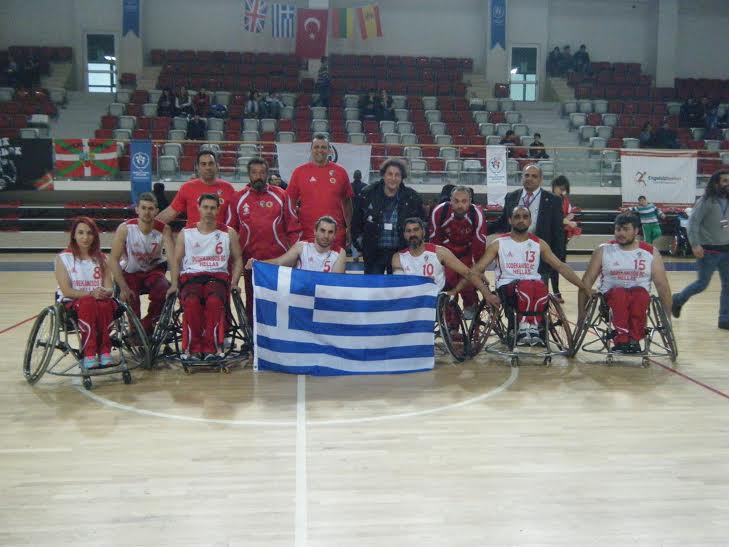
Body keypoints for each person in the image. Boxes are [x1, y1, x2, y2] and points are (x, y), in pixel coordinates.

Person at [471, 206, 589, 346]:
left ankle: (533, 327)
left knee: (539, 286)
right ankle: (524, 327)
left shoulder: (539, 243)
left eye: (525, 217)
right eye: (517, 217)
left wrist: (583, 286)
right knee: (527, 286)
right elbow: (476, 271)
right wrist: (487, 294)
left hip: (534, 287)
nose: (521, 220)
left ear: (530, 221)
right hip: (506, 287)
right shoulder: (498, 243)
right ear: (510, 220)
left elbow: (560, 266)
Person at [579, 212, 672, 353]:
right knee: (619, 293)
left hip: (640, 299)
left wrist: (667, 317)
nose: (621, 233)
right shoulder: (603, 250)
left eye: (626, 229)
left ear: (636, 231)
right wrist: (581, 312)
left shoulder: (650, 252)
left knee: (640, 294)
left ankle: (634, 339)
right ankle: (621, 338)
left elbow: (662, 286)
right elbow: (586, 282)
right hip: (610, 300)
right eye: (618, 229)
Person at [168, 194, 243, 360]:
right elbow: (176, 260)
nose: (209, 211)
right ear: (199, 208)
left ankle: (212, 347)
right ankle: (193, 348)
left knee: (214, 302)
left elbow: (238, 259)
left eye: (212, 208)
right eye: (206, 207)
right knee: (191, 302)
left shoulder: (228, 232)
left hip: (217, 277)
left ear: (218, 210)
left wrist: (235, 282)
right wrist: (174, 284)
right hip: (191, 277)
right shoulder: (186, 233)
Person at [231, 158, 301, 322]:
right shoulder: (238, 198)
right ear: (248, 175)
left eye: (262, 173)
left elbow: (293, 228)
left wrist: (295, 255)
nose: (258, 176)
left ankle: (280, 334)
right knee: (253, 301)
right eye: (254, 173)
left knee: (280, 299)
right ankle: (252, 335)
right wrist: (233, 261)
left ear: (267, 174)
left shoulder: (281, 195)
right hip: (251, 262)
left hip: (279, 260)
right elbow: (230, 231)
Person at [393, 217, 498, 306]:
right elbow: (399, 283)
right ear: (404, 235)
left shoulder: (439, 252)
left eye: (416, 230)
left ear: (423, 232)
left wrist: (487, 294)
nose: (412, 234)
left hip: (435, 300)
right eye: (408, 231)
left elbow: (468, 273)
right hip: (412, 302)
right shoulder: (398, 257)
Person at [54, 217, 116, 369]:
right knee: (88, 302)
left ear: (94, 236)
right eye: (80, 233)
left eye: (89, 233)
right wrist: (91, 294)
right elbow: (66, 290)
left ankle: (104, 351)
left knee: (105, 304)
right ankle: (89, 352)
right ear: (74, 235)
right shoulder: (63, 258)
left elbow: (110, 288)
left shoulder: (102, 258)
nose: (85, 237)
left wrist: (105, 292)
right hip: (71, 302)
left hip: (97, 300)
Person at [672, 169, 729, 330]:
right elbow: (693, 223)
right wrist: (695, 244)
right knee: (702, 284)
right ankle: (678, 299)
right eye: (725, 181)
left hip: (727, 251)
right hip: (708, 251)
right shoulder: (705, 201)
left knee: (728, 285)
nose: (728, 184)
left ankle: (724, 318)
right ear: (716, 183)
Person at [109, 192, 174, 333]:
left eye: (150, 209)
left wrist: (175, 284)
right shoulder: (125, 229)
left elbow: (173, 259)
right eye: (143, 208)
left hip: (154, 271)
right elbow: (113, 259)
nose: (147, 212)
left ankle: (147, 325)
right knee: (131, 297)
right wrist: (123, 287)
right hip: (131, 272)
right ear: (137, 209)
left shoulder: (164, 230)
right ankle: (134, 331)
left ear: (156, 211)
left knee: (164, 289)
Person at [489, 164, 565, 283]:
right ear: (522, 177)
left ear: (541, 179)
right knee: (509, 291)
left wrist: (556, 260)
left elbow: (558, 233)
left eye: (534, 176)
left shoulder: (553, 200)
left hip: (539, 259)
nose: (530, 178)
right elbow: (503, 222)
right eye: (527, 175)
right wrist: (480, 228)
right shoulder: (511, 197)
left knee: (538, 293)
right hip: (511, 258)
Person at [352, 158, 426, 274]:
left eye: (397, 175)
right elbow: (356, 222)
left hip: (402, 253)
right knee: (374, 285)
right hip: (373, 254)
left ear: (402, 177)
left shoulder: (412, 197)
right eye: (390, 174)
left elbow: (422, 224)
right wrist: (361, 246)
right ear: (383, 175)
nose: (393, 178)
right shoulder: (368, 194)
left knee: (399, 285)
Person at [429, 185, 488, 318]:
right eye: (456, 201)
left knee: (469, 282)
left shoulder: (477, 214)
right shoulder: (439, 211)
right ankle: (450, 317)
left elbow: (479, 243)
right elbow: (434, 241)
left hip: (467, 252)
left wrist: (478, 269)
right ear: (450, 200)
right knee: (447, 284)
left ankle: (472, 309)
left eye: (464, 201)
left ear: (470, 201)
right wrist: (437, 264)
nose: (460, 205)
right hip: (447, 253)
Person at [286, 134, 353, 249]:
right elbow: (289, 204)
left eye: (323, 147)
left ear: (329, 150)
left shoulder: (341, 172)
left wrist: (349, 227)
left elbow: (347, 203)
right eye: (316, 147)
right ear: (311, 150)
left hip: (335, 236)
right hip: (307, 235)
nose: (320, 150)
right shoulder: (299, 172)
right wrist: (291, 230)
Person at [157, 150, 236, 227]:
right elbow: (170, 213)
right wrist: (152, 226)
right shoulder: (187, 187)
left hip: (219, 235)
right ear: (197, 167)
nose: (208, 167)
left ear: (217, 166)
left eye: (211, 163)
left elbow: (237, 216)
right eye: (203, 164)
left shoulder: (228, 188)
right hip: (192, 235)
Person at [247, 216, 346, 274]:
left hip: (324, 297)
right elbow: (279, 262)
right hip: (301, 295)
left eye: (330, 232)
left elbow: (334, 284)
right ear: (315, 231)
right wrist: (258, 263)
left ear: (335, 235)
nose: (326, 236)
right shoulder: (302, 247)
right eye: (322, 231)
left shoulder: (339, 253)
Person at [549, 176, 580, 302]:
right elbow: (556, 218)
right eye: (560, 188)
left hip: (562, 235)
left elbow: (566, 215)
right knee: (554, 264)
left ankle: (554, 290)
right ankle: (555, 292)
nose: (562, 190)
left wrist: (568, 219)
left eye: (564, 188)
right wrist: (568, 221)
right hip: (551, 236)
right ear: (554, 187)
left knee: (560, 263)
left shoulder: (565, 200)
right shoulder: (550, 199)